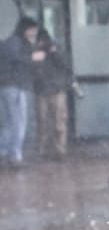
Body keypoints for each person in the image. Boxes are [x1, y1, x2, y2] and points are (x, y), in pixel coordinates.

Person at [0, 18, 46, 167]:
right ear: (25, 29)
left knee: (9, 122)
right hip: (15, 86)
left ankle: (4, 151)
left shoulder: (12, 41)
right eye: (32, 29)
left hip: (8, 86)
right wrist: (33, 57)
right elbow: (16, 59)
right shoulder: (15, 41)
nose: (34, 33)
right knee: (19, 121)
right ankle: (15, 155)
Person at [32, 27, 74, 160]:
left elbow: (66, 65)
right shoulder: (35, 52)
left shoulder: (56, 48)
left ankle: (59, 150)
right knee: (44, 122)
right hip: (44, 90)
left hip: (55, 90)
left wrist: (53, 51)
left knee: (57, 122)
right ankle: (44, 150)